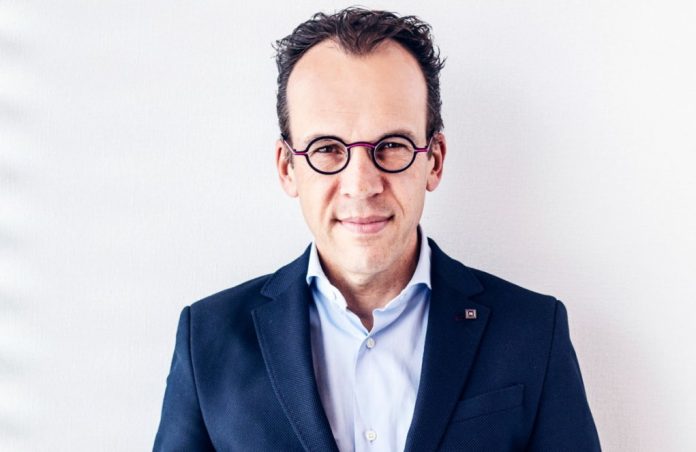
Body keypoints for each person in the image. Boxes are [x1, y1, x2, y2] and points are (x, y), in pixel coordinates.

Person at [154, 7, 600, 451]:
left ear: (434, 160)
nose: (362, 184)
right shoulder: (206, 339)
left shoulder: (533, 332)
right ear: (287, 168)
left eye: (391, 145)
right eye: (327, 148)